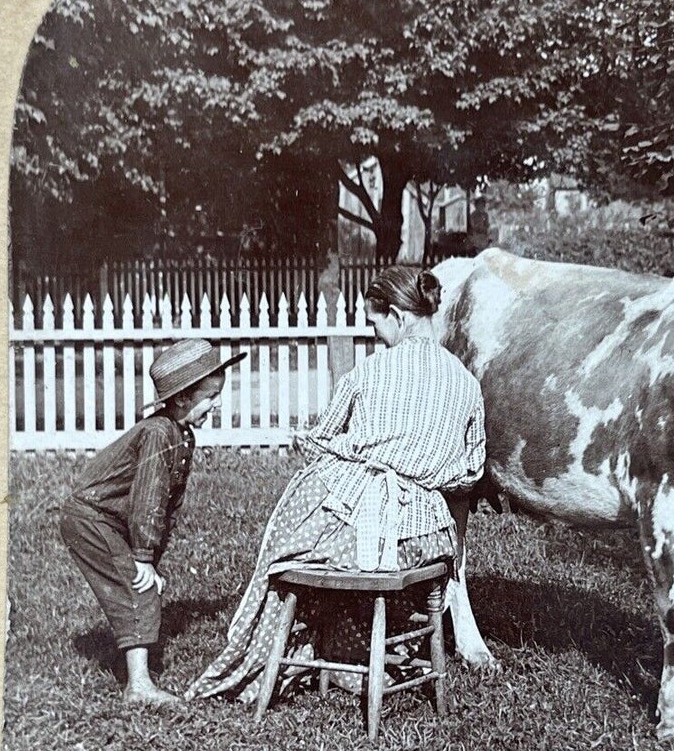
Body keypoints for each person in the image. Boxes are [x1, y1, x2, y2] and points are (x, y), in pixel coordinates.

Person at [188, 265, 486, 703]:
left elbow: (322, 440)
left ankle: (250, 666)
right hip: (427, 541)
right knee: (334, 538)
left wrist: (356, 452)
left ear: (398, 317)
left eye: (376, 325)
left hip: (368, 530)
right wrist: (421, 470)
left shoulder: (373, 371)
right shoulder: (465, 381)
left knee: (282, 559)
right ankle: (353, 658)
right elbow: (472, 470)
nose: (376, 337)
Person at [60, 339, 241, 707]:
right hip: (91, 518)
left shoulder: (180, 435)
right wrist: (141, 558)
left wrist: (149, 559)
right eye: (210, 396)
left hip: (109, 519)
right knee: (138, 589)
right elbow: (148, 499)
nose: (217, 403)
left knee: (143, 584)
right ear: (181, 400)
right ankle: (138, 687)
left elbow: (165, 509)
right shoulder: (160, 433)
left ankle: (136, 671)